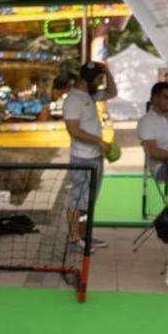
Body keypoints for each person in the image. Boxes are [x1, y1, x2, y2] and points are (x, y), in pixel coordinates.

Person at [61, 61, 118, 248]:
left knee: (88, 200)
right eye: (99, 79)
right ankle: (73, 238)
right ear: (89, 79)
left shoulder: (91, 95)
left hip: (95, 157)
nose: (101, 83)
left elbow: (112, 92)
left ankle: (84, 236)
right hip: (82, 158)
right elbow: (73, 130)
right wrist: (99, 141)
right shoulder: (73, 100)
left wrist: (107, 72)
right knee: (77, 198)